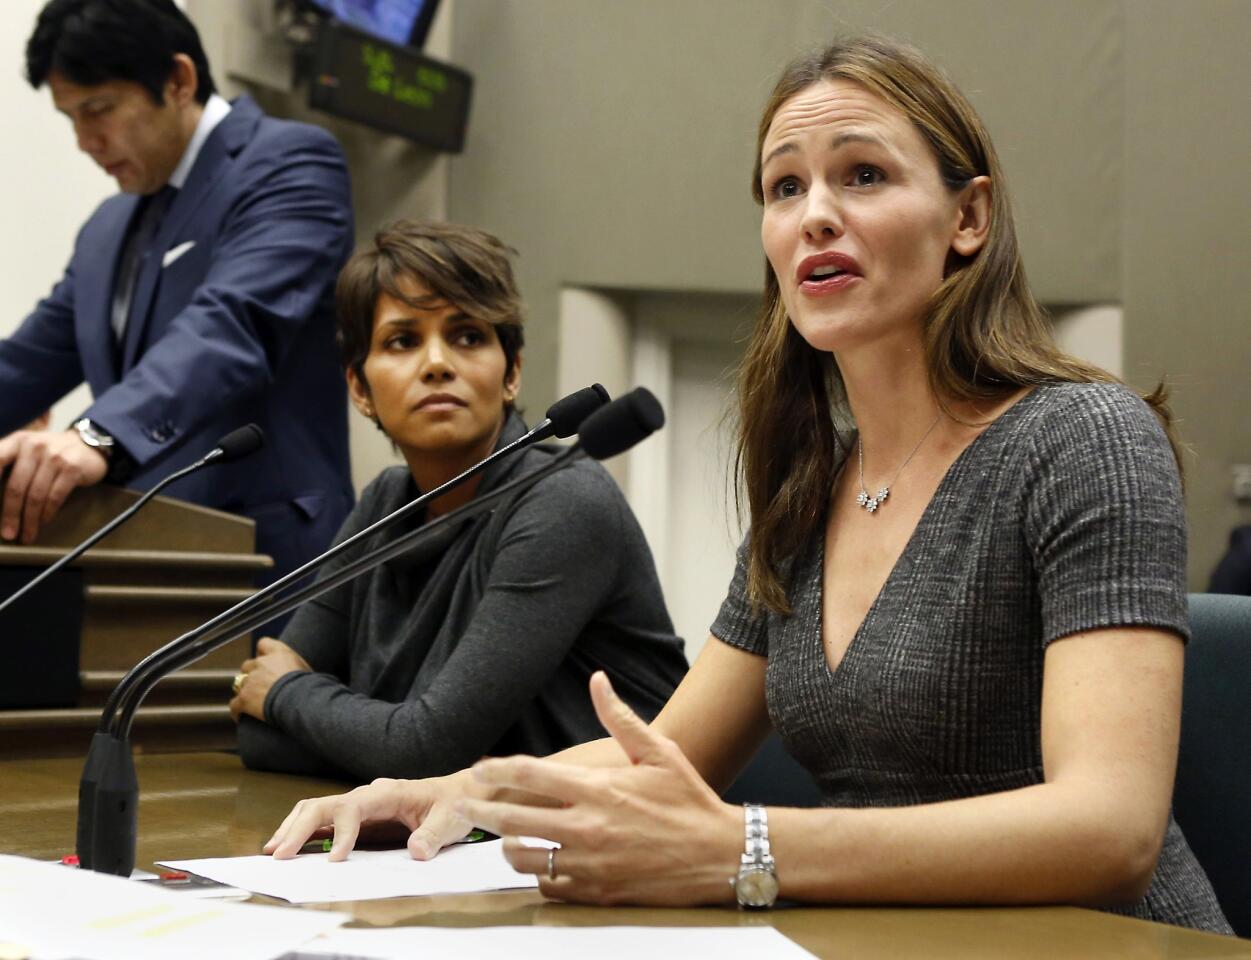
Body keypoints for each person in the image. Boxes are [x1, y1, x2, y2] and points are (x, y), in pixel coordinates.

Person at [261, 38, 1231, 933]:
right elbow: (670, 753)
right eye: (784, 186)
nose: (815, 213)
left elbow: (1110, 834)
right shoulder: (808, 490)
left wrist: (745, 849)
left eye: (863, 175)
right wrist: (459, 793)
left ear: (968, 217)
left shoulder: (1086, 437)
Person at [230, 220, 688, 782]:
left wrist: (286, 695)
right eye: (403, 341)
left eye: (468, 335)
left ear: (512, 372)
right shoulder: (384, 505)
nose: (437, 363)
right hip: (460, 842)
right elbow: (258, 738)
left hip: (617, 842)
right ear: (359, 390)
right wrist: (374, 738)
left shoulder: (563, 500)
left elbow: (421, 751)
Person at [0, 0, 354, 607]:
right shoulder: (107, 226)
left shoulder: (290, 163)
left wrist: (97, 435)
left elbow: (230, 325)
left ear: (178, 80)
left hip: (269, 561)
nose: (86, 142)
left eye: (99, 111)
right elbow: (27, 363)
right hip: (143, 566)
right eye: (71, 119)